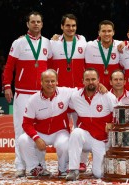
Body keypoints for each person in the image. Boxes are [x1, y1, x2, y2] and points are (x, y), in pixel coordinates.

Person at [2, 11, 52, 177]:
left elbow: (50, 67)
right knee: (20, 130)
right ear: (28, 24)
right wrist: (7, 85)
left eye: (39, 21)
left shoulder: (48, 43)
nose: (36, 24)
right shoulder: (19, 42)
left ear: (42, 24)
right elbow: (9, 67)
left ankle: (41, 165)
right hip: (23, 94)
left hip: (42, 95)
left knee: (40, 132)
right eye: (33, 22)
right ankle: (20, 167)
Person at [49, 13, 89, 173]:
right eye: (67, 25)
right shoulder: (53, 43)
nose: (70, 28)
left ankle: (82, 161)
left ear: (76, 27)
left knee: (83, 126)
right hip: (61, 93)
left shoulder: (83, 41)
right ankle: (63, 164)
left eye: (73, 25)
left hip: (79, 92)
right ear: (61, 27)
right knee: (62, 130)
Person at [66, 68, 117, 181]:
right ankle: (74, 170)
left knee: (98, 174)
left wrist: (112, 124)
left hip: (101, 140)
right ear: (83, 81)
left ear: (98, 80)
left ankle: (98, 166)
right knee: (76, 132)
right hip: (87, 137)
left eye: (93, 79)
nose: (90, 82)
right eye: (87, 79)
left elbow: (119, 116)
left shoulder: (108, 96)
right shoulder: (75, 96)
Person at [18, 69, 70, 178]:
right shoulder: (33, 99)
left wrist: (100, 87)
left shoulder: (66, 92)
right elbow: (26, 123)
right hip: (40, 132)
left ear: (57, 82)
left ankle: (63, 169)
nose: (50, 84)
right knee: (23, 139)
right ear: (41, 82)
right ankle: (35, 168)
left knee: (65, 144)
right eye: (47, 81)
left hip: (60, 131)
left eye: (52, 81)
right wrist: (36, 137)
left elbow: (83, 90)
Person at [85, 20, 122, 90]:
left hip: (114, 91)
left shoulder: (120, 45)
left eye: (109, 31)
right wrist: (58, 37)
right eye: (104, 31)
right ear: (99, 33)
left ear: (113, 32)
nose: (106, 34)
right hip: (95, 90)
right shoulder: (89, 46)